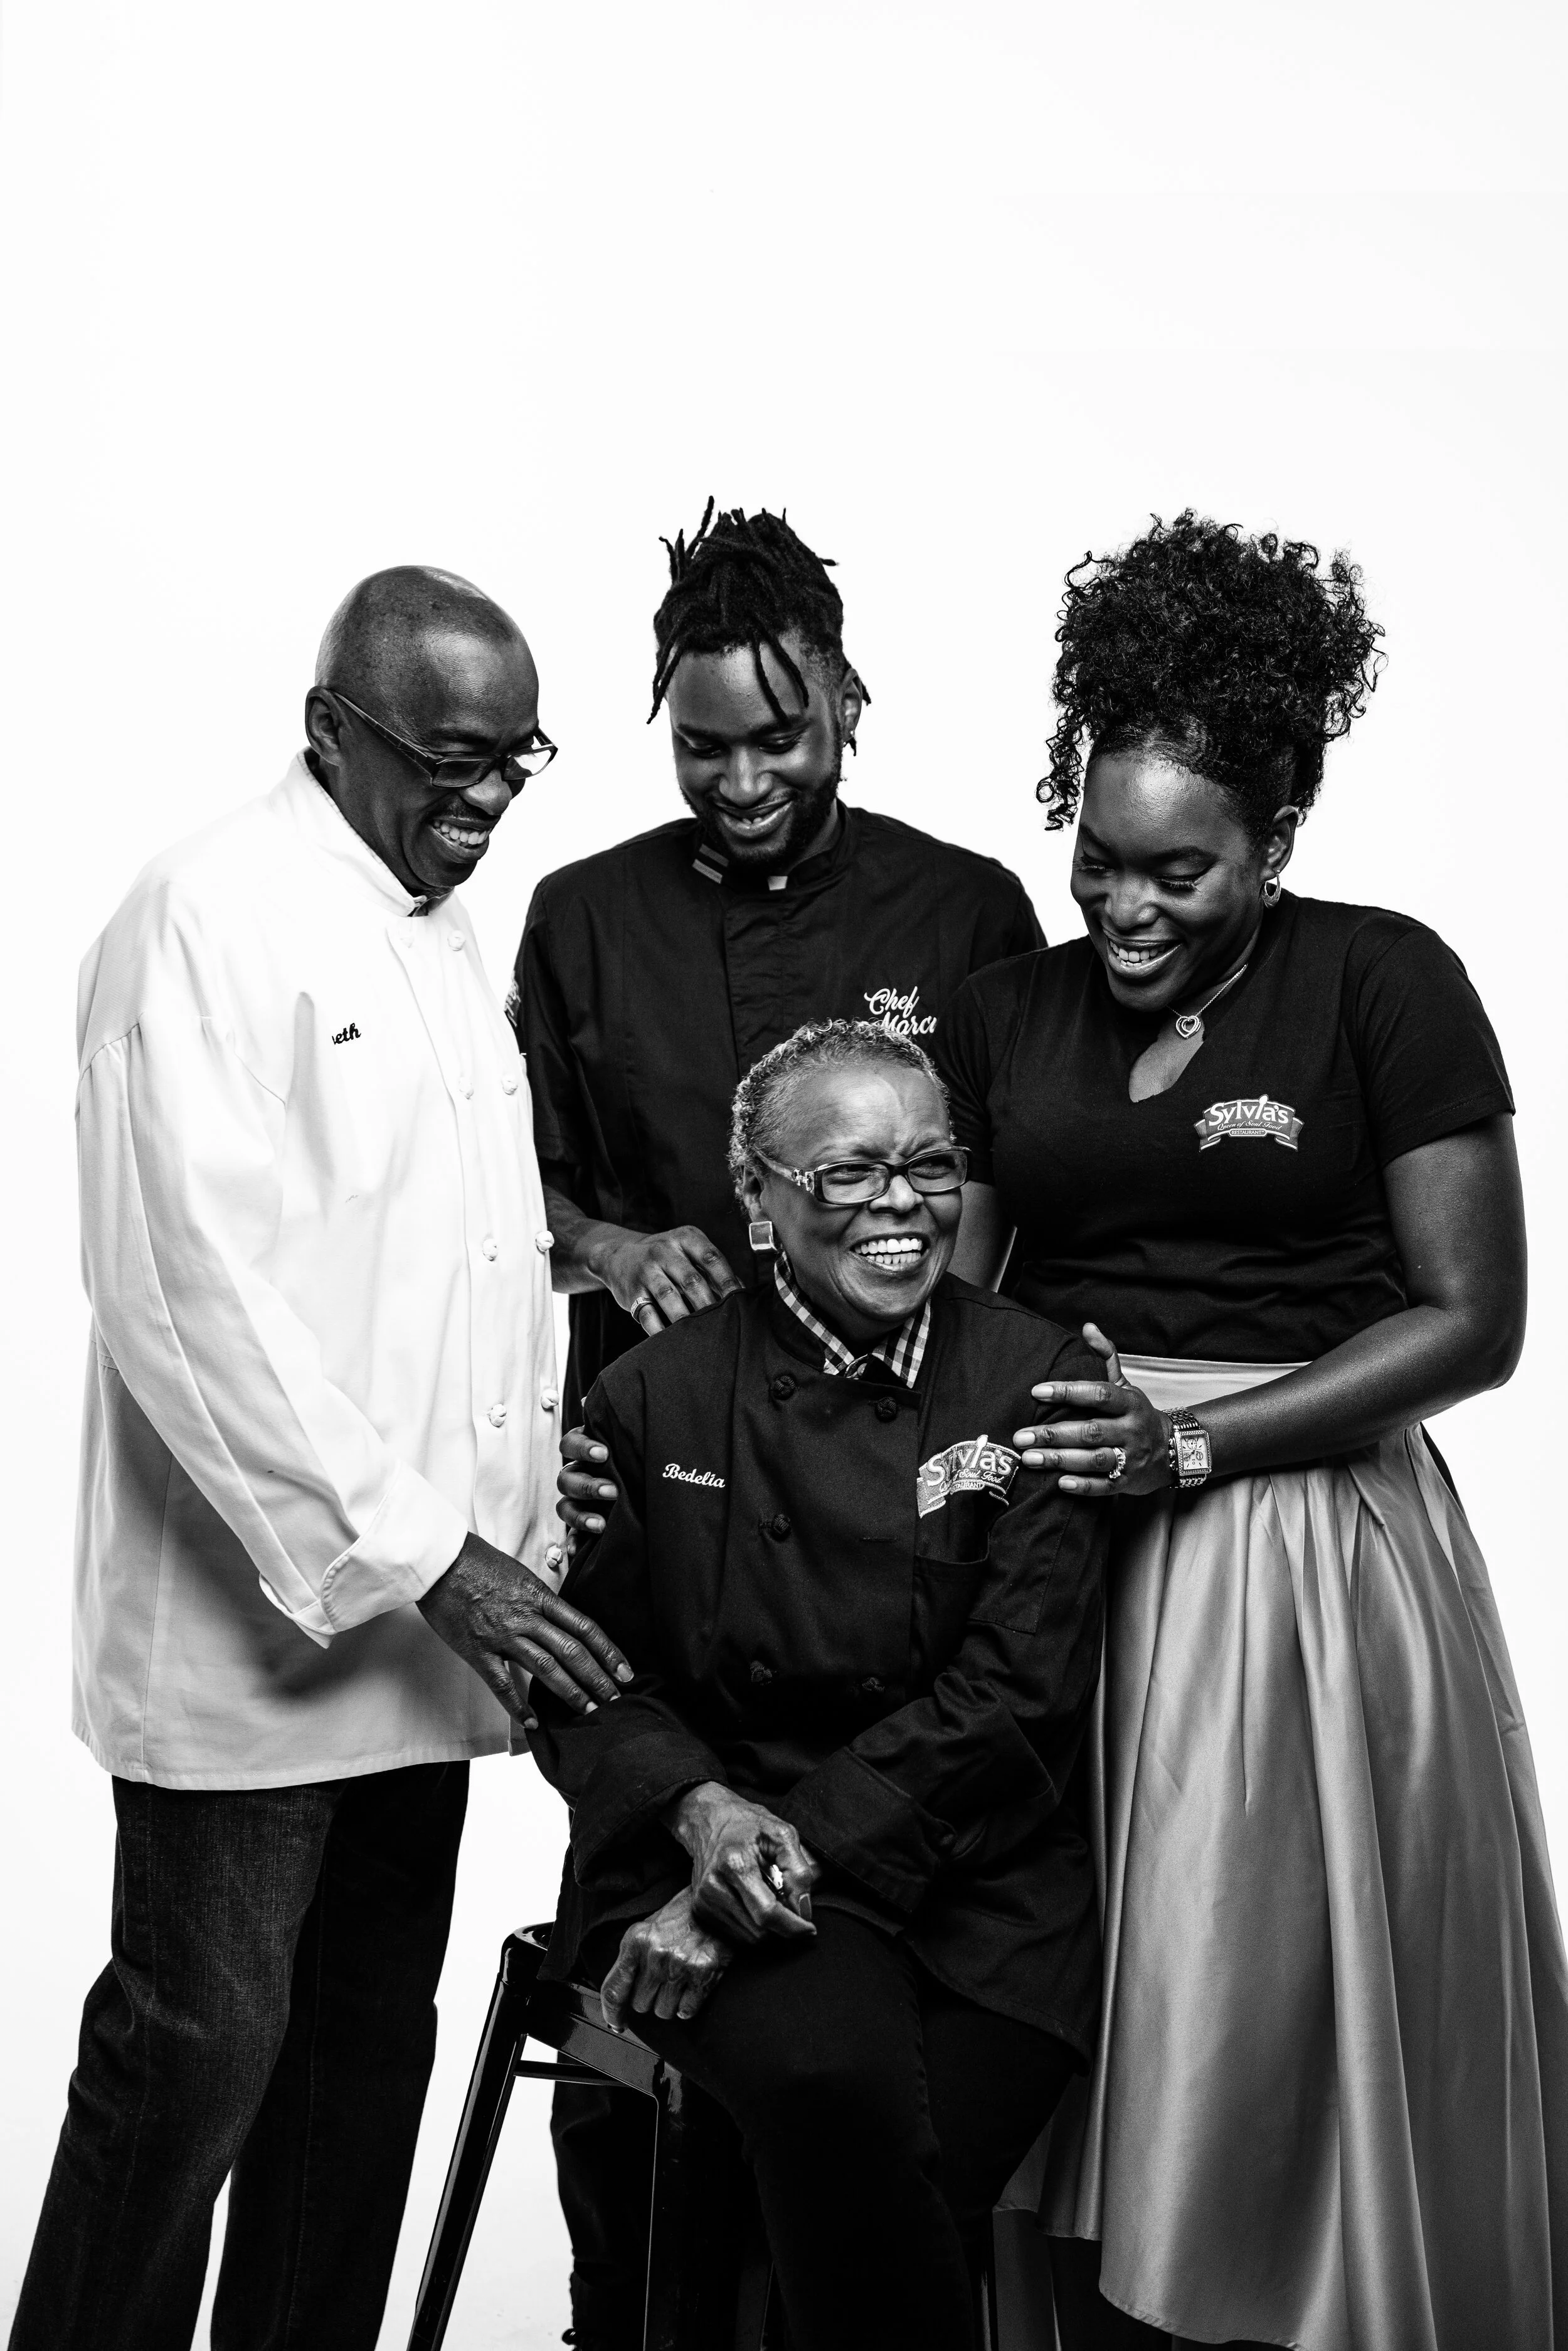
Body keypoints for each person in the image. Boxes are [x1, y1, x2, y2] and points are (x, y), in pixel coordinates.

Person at [938, 513, 1568, 2348]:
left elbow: (1471, 1322)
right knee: (1072, 2015)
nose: (1125, 908)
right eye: (1096, 860)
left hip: (1296, 1553)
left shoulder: (1383, 981)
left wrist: (1196, 1445)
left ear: (1275, 843)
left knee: (1266, 1998)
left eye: (1179, 872)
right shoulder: (1003, 1013)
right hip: (1063, 1552)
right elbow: (951, 1315)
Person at [11, 569, 629, 2351]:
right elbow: (185, 1297)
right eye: (451, 758)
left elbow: (447, 1255)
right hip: (258, 1640)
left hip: (428, 1636)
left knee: (359, 2064)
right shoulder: (198, 916)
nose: (488, 797)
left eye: (516, 759)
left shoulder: (436, 924)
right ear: (329, 728)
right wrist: (440, 1554)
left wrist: (527, 1502)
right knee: (195, 2056)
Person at [520, 499, 1044, 2346]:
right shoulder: (583, 917)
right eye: (702, 746)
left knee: (858, 2068)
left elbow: (977, 1204)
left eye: (780, 737)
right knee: (638, 2079)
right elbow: (517, 1193)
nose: (743, 782)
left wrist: (911, 1371)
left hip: (916, 1488)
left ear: (846, 703)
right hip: (665, 1480)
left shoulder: (961, 908)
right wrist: (610, 1248)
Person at [529, 1020, 1110, 2351]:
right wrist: (707, 1823)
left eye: (930, 1165)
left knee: (905, 2156)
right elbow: (588, 1680)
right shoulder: (650, 1393)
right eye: (848, 1173)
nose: (901, 1203)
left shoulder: (1040, 1382)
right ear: (757, 1194)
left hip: (977, 1877)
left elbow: (1019, 1692)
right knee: (834, 2092)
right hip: (702, 1840)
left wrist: (771, 1856)